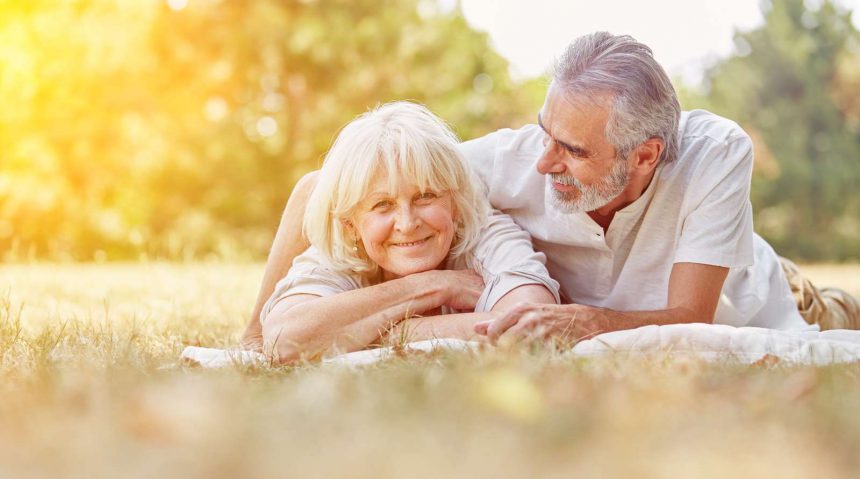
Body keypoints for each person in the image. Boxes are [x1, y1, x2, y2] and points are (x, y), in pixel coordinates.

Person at [244, 32, 859, 349]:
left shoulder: (713, 152)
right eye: (546, 132)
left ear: (644, 155)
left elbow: (691, 319)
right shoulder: (509, 162)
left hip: (757, 293)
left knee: (833, 313)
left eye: (573, 150)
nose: (545, 162)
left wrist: (585, 322)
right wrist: (253, 335)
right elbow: (319, 188)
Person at [258, 101, 559, 362]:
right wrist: (433, 286)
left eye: (425, 196)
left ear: (455, 203)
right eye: (382, 205)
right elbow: (283, 339)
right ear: (351, 225)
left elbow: (535, 326)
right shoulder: (341, 251)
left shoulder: (486, 232)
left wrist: (357, 333)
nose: (407, 222)